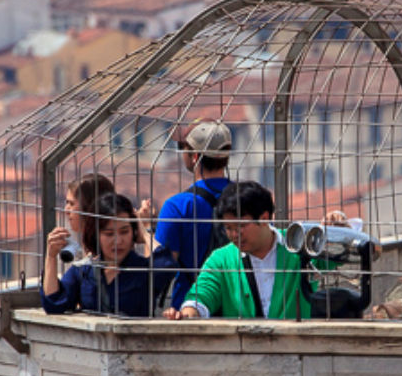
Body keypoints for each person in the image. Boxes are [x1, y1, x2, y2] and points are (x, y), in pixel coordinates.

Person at [171, 181, 348, 320]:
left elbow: (350, 254)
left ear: (263, 218)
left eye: (240, 227)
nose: (234, 235)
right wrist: (188, 313)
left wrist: (340, 230)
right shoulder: (221, 260)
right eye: (228, 228)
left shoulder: (299, 247)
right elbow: (201, 295)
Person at [149, 120, 237, 307]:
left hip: (191, 304)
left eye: (183, 147)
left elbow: (162, 267)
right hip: (238, 304)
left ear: (195, 156)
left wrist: (144, 231)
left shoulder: (177, 206)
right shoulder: (246, 198)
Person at [43, 193, 162, 316]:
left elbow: (166, 264)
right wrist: (51, 257)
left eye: (124, 232)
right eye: (109, 234)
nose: (117, 241)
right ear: (96, 235)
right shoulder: (84, 271)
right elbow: (54, 304)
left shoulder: (143, 270)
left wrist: (144, 231)